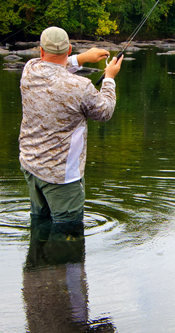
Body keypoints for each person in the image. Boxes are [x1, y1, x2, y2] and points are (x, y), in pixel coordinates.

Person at [19, 26, 122, 226]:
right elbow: (105, 112)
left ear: (40, 51)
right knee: (68, 235)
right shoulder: (80, 87)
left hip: (30, 166)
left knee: (40, 224)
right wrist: (109, 78)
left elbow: (53, 68)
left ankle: (37, 257)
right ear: (69, 49)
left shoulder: (29, 69)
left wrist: (82, 58)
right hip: (62, 178)